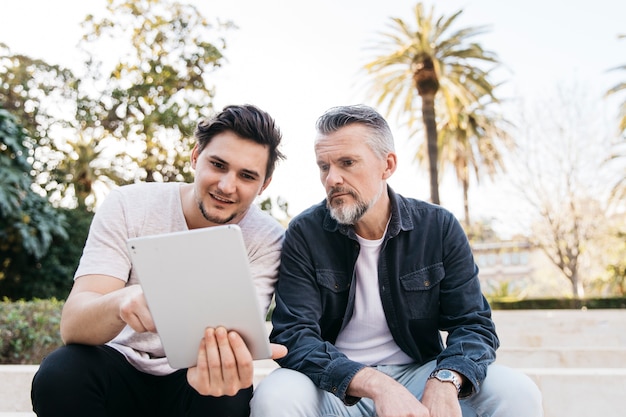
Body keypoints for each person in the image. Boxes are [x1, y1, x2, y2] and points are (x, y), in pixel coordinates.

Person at [251, 104, 543, 417]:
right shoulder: (305, 232)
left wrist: (446, 378)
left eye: (347, 163)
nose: (332, 178)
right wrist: (375, 384)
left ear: (387, 165)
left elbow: (473, 324)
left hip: (421, 374)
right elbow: (294, 334)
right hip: (335, 384)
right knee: (275, 397)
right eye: (324, 166)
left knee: (516, 392)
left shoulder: (439, 227)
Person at [31, 104, 288, 417]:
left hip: (196, 380)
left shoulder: (268, 237)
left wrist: (218, 362)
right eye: (218, 165)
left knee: (227, 395)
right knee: (61, 373)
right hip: (119, 366)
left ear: (264, 185)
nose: (226, 186)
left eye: (247, 176)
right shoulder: (129, 204)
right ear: (196, 157)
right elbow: (73, 326)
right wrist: (121, 301)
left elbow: (236, 339)